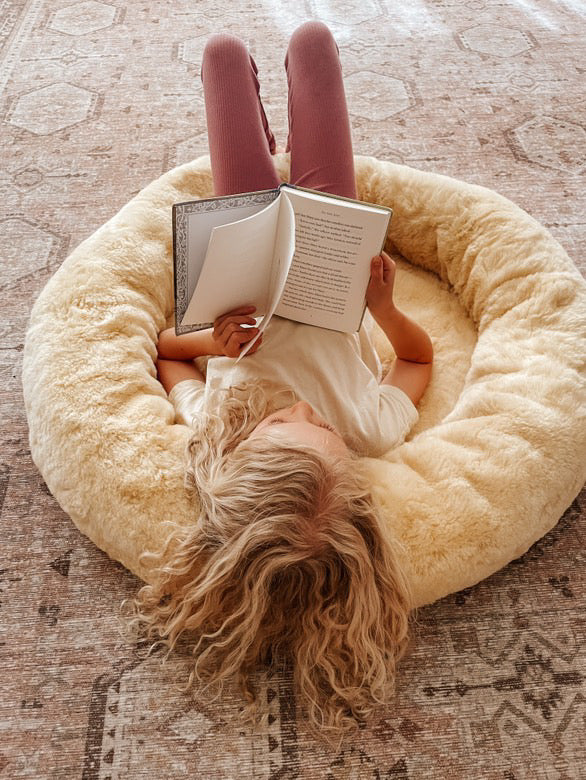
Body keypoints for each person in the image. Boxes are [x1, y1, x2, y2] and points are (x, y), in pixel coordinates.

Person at [126, 21, 433, 743]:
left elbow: (167, 355)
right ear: (347, 465)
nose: (305, 407)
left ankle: (263, 142)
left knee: (221, 55)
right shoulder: (368, 430)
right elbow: (418, 364)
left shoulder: (217, 424)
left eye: (283, 422)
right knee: (315, 42)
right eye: (323, 427)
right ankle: (285, 145)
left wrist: (212, 342)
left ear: (245, 451)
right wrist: (384, 311)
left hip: (245, 276)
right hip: (331, 268)